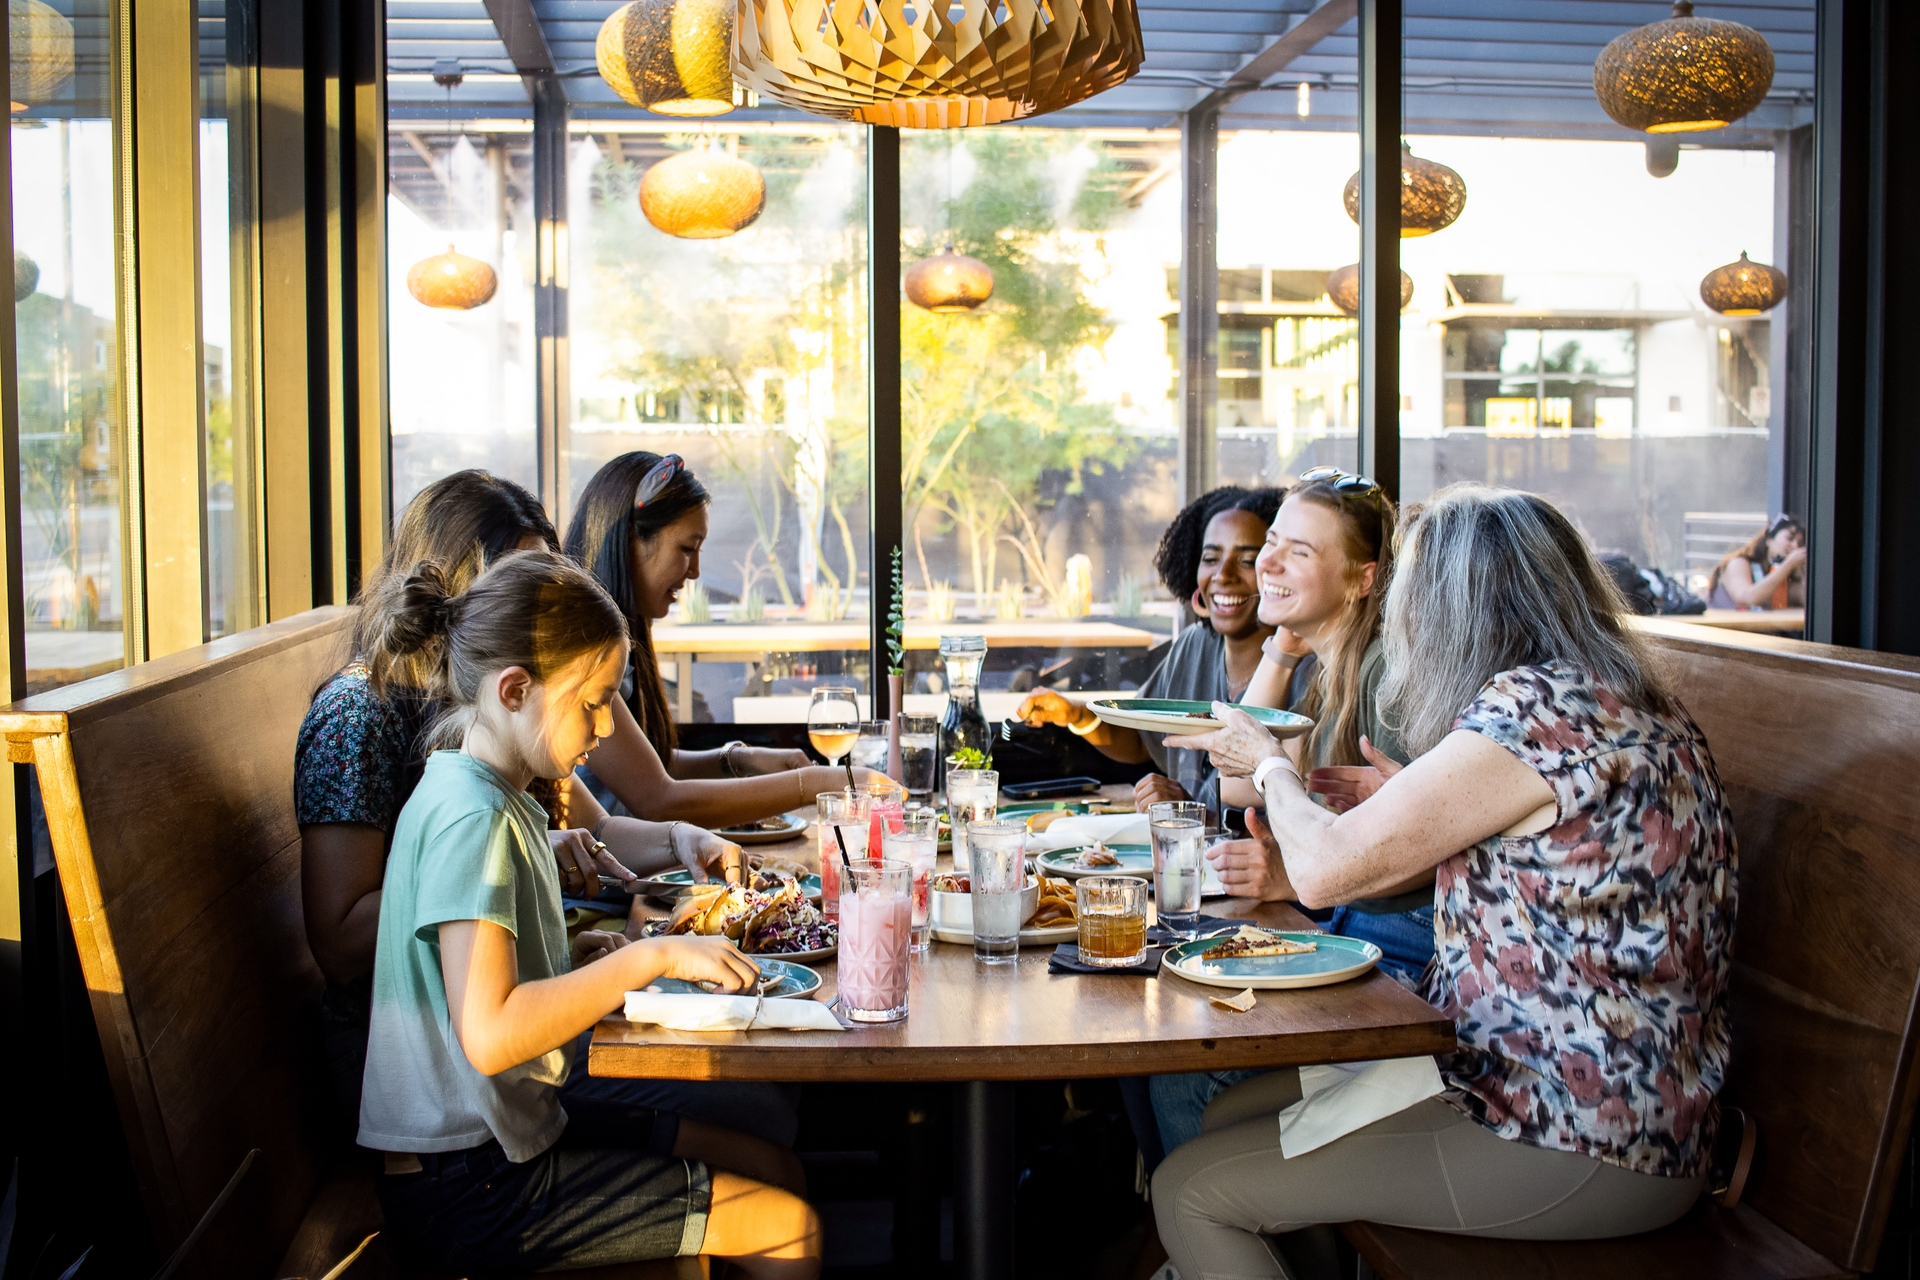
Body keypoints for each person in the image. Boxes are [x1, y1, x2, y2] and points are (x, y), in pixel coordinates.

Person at [1156, 484, 1735, 1277]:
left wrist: (1266, 763)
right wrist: (1397, 804)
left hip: (1575, 1129)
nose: (1402, 620)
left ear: (1453, 606)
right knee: (1225, 1112)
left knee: (1189, 1189)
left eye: (1411, 598)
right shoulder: (1616, 698)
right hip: (1578, 1093)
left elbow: (1322, 877)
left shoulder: (1531, 710)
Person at [297, 471, 795, 1186]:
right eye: (523, 579)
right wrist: (511, 882)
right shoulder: (369, 716)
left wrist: (675, 839)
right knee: (754, 1112)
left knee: (760, 1111)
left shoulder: (502, 731)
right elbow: (342, 940)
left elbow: (594, 832)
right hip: (422, 1065)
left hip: (487, 1038)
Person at [358, 551, 820, 1278]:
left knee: (769, 1166)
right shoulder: (471, 820)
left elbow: (481, 989)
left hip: (501, 1140)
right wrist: (649, 958)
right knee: (785, 1227)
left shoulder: (490, 794)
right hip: (468, 1181)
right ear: (513, 690)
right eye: (593, 702)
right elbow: (489, 1034)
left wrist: (580, 957)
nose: (605, 728)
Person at [1148, 467, 1420, 1161]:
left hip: (1402, 963)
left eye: (1297, 551)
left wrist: (1294, 884)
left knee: (1181, 1068)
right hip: (1350, 928)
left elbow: (1415, 866)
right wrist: (1283, 644)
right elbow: (1241, 785)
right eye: (1275, 541)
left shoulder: (1385, 680)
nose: (1266, 562)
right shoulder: (1335, 665)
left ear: (1364, 580)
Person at [564, 452, 871, 826]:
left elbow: (653, 763)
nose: (694, 571)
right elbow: (656, 798)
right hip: (610, 877)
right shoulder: (582, 647)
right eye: (687, 549)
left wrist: (739, 759)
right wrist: (813, 784)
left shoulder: (620, 638)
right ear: (632, 539)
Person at [1015, 486, 1284, 815]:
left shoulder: (1298, 665)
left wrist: (1189, 811)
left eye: (1247, 561)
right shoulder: (1193, 646)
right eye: (1210, 559)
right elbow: (1143, 737)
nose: (1223, 575)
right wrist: (1077, 714)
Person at [1707, 514, 1805, 610]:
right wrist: (1788, 565)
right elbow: (1746, 598)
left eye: (1800, 543)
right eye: (1789, 538)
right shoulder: (1739, 563)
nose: (1795, 546)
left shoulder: (1778, 572)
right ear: (1769, 539)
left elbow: (1803, 597)